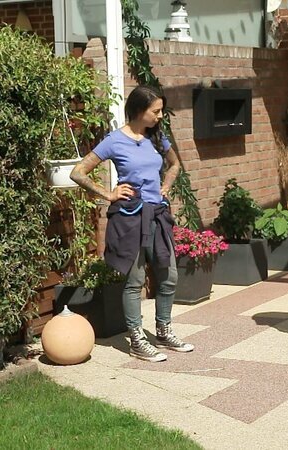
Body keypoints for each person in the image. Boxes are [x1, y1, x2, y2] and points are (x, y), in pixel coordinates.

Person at [70, 85, 194, 362]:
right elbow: (78, 172)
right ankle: (137, 340)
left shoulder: (156, 137)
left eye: (161, 111)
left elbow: (175, 165)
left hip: (157, 215)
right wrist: (108, 194)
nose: (160, 116)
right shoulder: (114, 141)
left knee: (169, 275)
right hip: (130, 217)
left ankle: (164, 331)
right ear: (139, 110)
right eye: (156, 111)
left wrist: (166, 186)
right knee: (135, 280)